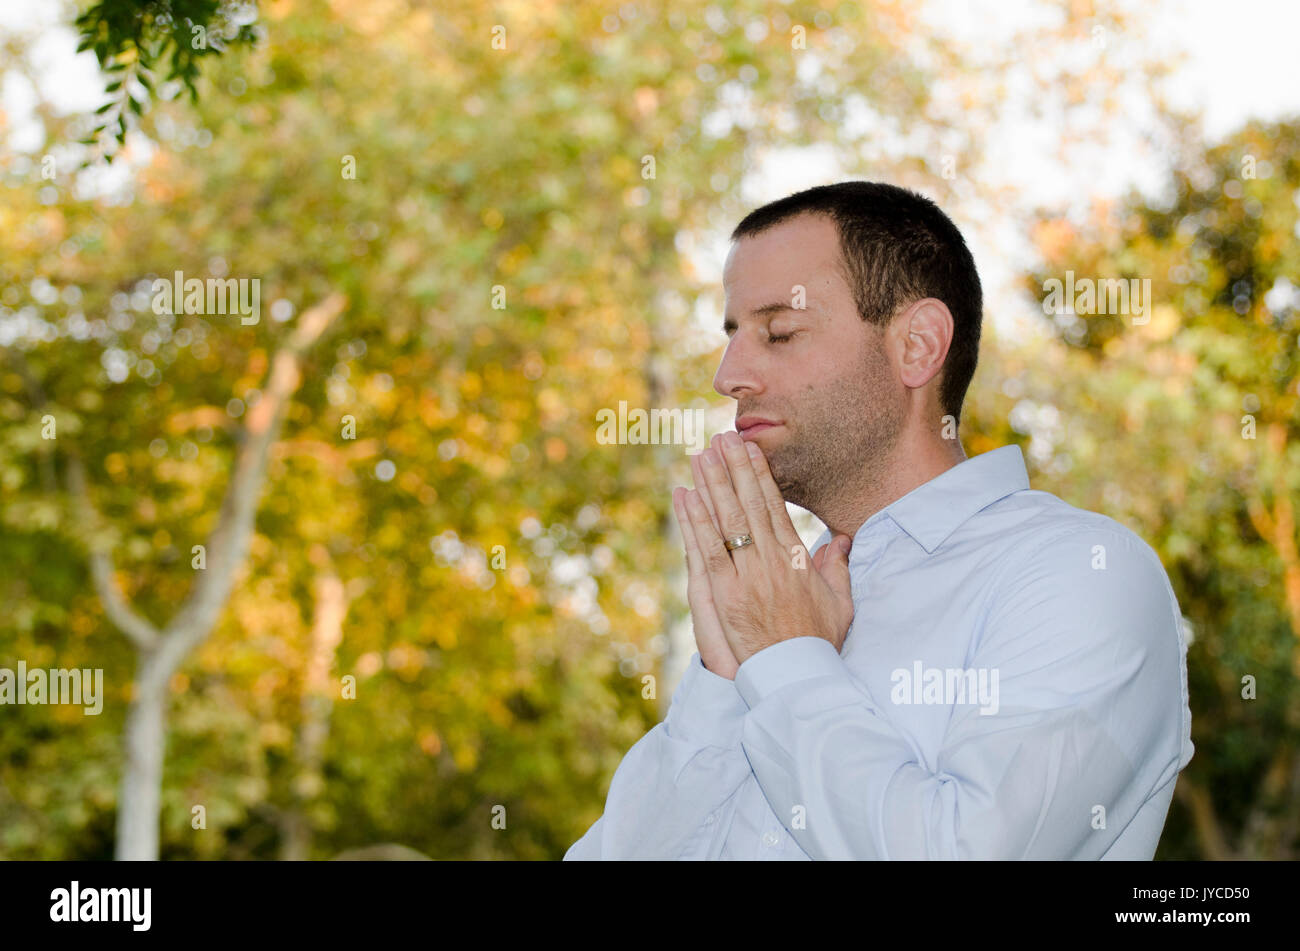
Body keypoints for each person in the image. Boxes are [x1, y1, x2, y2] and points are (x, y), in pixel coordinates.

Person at [564, 181, 1193, 860]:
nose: (729, 375)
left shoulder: (1080, 573)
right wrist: (723, 682)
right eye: (733, 335)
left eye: (779, 331)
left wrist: (784, 662)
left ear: (917, 345)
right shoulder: (780, 598)